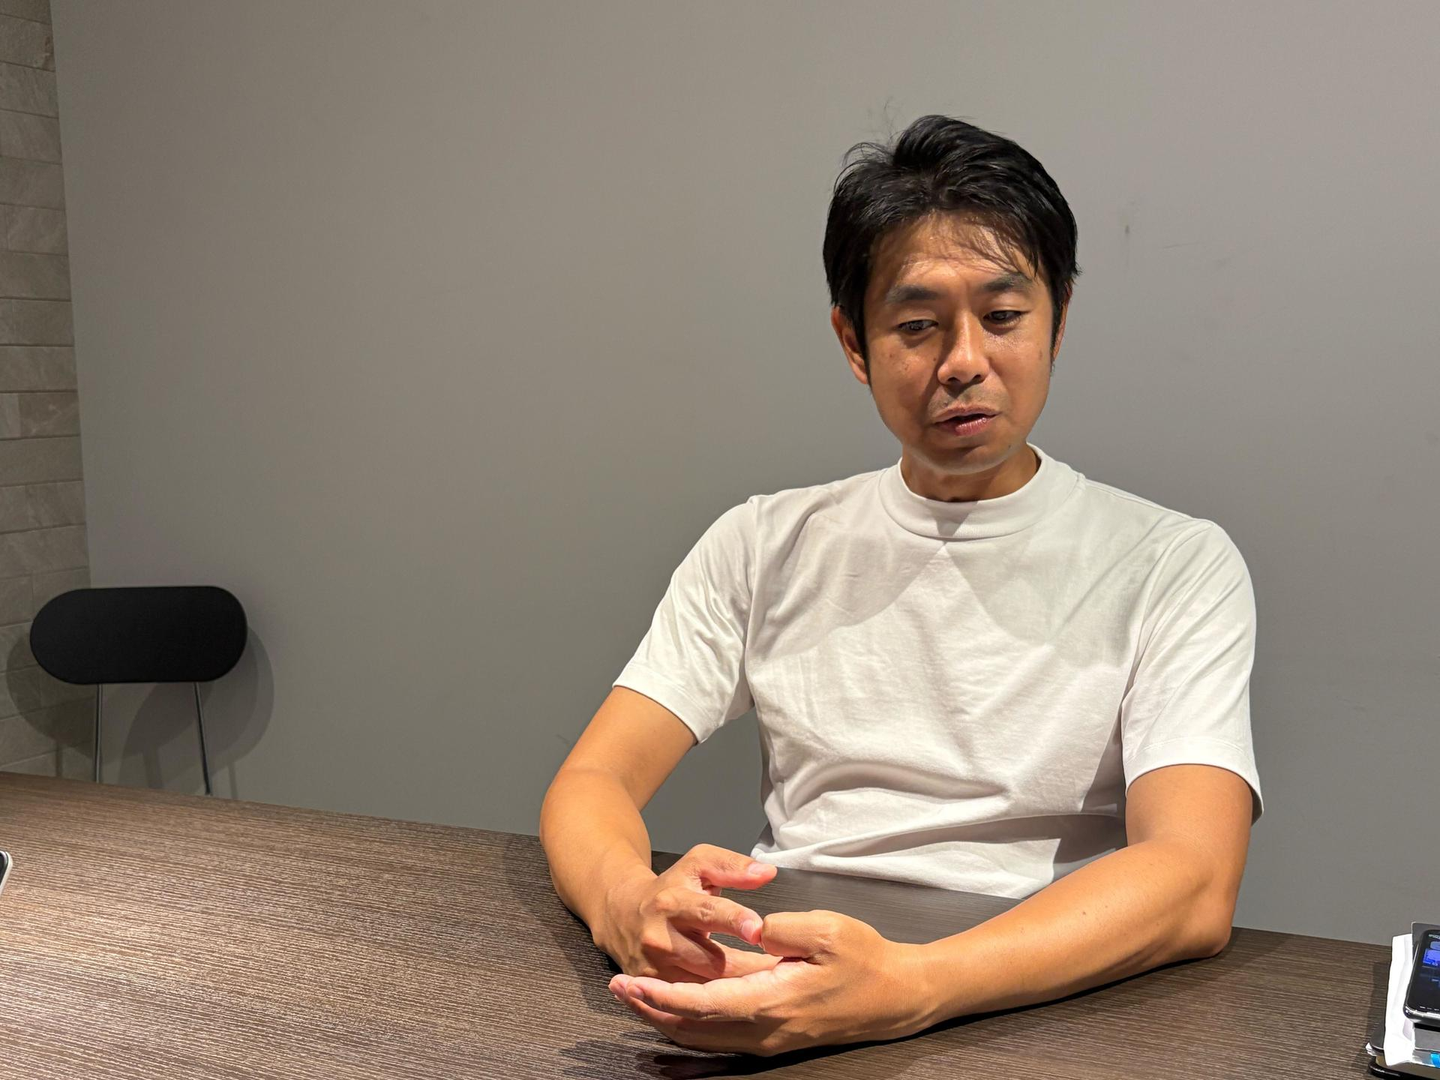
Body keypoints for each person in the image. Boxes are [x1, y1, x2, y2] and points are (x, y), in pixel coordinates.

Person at [538, 114, 1262, 1058]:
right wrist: (630, 904)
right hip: (791, 963)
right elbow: (591, 781)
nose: (964, 362)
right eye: (918, 326)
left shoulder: (1173, 562)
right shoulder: (764, 543)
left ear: (1059, 319)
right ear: (855, 341)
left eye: (1003, 317)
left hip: (1038, 1000)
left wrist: (914, 988)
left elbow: (1194, 877)